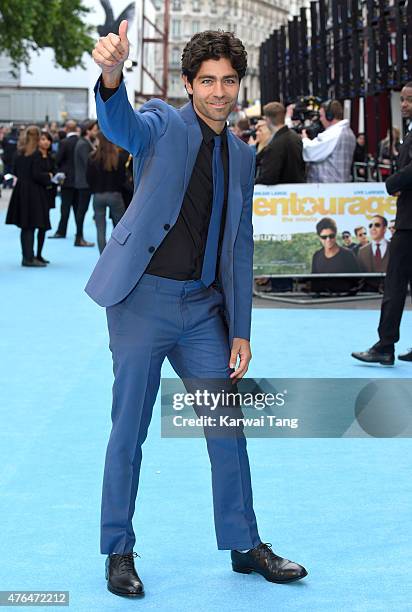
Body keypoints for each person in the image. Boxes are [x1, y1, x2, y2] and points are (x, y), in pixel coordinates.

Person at [86, 22, 308, 597]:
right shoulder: (161, 125)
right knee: (128, 430)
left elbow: (240, 246)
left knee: (226, 429)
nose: (218, 92)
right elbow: (121, 124)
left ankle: (244, 544)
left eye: (228, 81)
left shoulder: (242, 154)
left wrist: (241, 329)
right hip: (141, 303)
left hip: (204, 311)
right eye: (207, 81)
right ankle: (118, 550)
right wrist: (112, 75)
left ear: (239, 86)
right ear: (189, 83)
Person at [352, 82, 412, 365]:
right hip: (407, 217)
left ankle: (385, 345)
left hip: (409, 222)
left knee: (395, 284)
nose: (403, 105)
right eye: (402, 100)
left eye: (409, 100)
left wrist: (392, 183)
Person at [5, 126, 52, 266]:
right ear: (38, 137)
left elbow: (14, 171)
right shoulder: (36, 154)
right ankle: (29, 258)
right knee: (31, 225)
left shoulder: (19, 153)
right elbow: (37, 175)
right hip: (34, 192)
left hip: (20, 191)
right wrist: (48, 176)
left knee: (25, 225)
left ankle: (27, 256)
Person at [86, 131, 127, 253]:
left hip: (98, 195)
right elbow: (122, 179)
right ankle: (119, 254)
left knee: (100, 229)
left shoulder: (92, 157)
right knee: (119, 227)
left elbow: (88, 178)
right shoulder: (119, 157)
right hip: (115, 195)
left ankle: (102, 258)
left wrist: (95, 189)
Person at [302, 100, 356, 183]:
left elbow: (310, 152)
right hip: (338, 186)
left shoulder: (334, 133)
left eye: (321, 116)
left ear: (329, 116)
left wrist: (304, 138)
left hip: (327, 187)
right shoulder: (347, 132)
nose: (320, 119)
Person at [255, 101, 305, 185]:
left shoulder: (276, 144)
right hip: (297, 193)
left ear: (267, 119)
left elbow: (268, 178)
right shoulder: (295, 137)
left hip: (281, 195)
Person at [49, 119, 80, 241]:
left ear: (66, 129)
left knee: (65, 208)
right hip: (79, 180)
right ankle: (79, 232)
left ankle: (61, 231)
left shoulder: (64, 143)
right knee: (78, 209)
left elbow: (58, 159)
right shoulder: (82, 142)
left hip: (66, 180)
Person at [73, 120, 98, 247]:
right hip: (84, 183)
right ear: (88, 130)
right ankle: (79, 237)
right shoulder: (83, 144)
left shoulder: (86, 143)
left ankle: (79, 237)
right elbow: (88, 162)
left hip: (84, 183)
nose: (96, 132)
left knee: (81, 210)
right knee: (81, 211)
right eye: (94, 130)